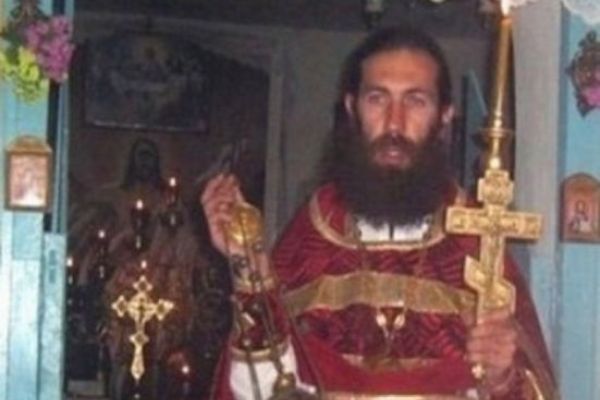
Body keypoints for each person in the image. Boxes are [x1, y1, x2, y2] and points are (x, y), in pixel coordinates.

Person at [201, 26, 557, 399]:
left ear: (445, 116)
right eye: (377, 99)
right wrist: (248, 265)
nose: (394, 123)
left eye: (415, 101)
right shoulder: (314, 232)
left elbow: (533, 389)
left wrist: (501, 377)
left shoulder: (477, 243)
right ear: (352, 107)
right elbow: (263, 389)